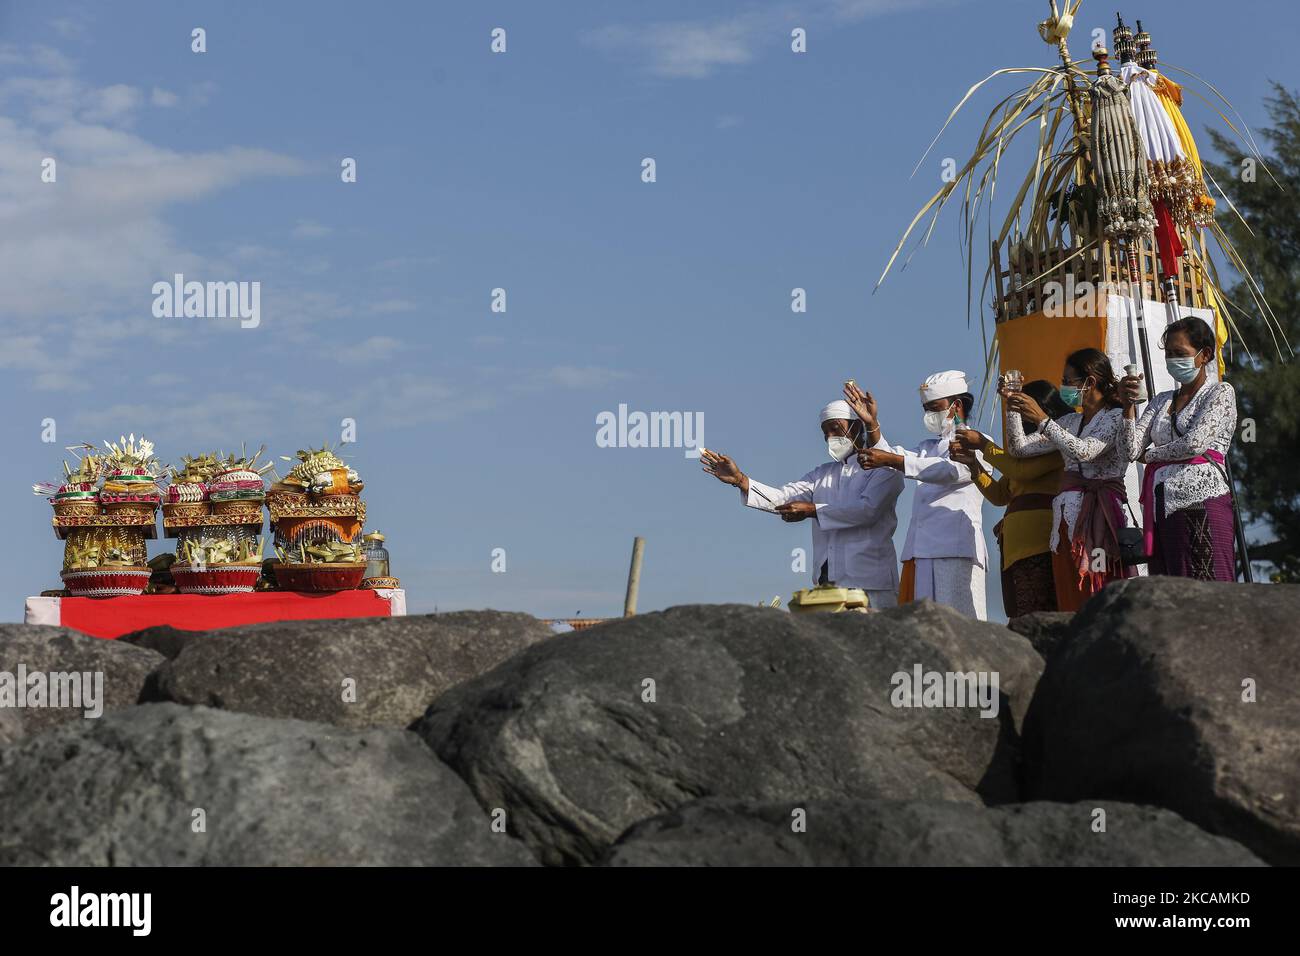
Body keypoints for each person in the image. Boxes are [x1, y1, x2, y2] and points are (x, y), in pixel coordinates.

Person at [699, 399, 905, 608]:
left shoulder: (885, 467)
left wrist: (812, 510)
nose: (830, 437)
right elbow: (783, 499)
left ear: (857, 426)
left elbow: (866, 511)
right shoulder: (822, 474)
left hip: (871, 582)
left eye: (835, 429)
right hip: (829, 582)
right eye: (825, 433)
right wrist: (741, 481)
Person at [844, 372, 988, 620]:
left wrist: (892, 459)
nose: (929, 416)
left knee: (959, 630)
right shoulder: (927, 447)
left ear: (957, 406)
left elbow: (950, 471)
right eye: (926, 409)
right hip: (920, 552)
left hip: (955, 549)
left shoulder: (979, 443)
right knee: (924, 630)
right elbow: (892, 457)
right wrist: (871, 424)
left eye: (935, 408)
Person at [1005, 348, 1136, 611]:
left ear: (1089, 382)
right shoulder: (1070, 421)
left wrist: (1043, 420)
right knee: (1071, 595)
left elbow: (1084, 451)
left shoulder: (1113, 416)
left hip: (1100, 517)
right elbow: (1019, 448)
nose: (1063, 387)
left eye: (1067, 381)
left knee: (1099, 591)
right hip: (1065, 520)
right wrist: (1012, 405)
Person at [1123, 317, 1239, 580]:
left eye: (1180, 353)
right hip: (1162, 506)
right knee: (1171, 591)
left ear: (1204, 355)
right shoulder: (1162, 400)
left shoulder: (1220, 393)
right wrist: (1127, 406)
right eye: (1169, 354)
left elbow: (1194, 444)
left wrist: (1150, 456)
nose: (1173, 360)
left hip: (1201, 499)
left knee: (1208, 585)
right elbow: (1130, 450)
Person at [951, 380, 1074, 617]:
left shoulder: (1060, 443)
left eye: (1021, 411)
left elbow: (1021, 472)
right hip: (1014, 548)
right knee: (1023, 618)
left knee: (1044, 616)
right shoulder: (1023, 452)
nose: (1018, 419)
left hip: (1042, 544)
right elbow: (1001, 495)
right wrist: (974, 466)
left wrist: (985, 445)